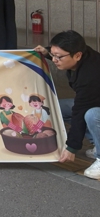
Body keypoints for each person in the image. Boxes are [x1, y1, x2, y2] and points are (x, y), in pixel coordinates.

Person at [34, 30, 100, 180]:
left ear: (77, 55)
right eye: (53, 55)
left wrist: (72, 147)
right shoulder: (83, 53)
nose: (54, 60)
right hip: (95, 101)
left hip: (94, 105)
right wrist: (46, 52)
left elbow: (79, 112)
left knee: (92, 115)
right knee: (56, 108)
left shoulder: (91, 75)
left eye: (58, 57)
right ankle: (97, 144)